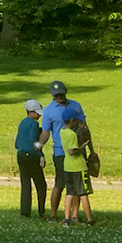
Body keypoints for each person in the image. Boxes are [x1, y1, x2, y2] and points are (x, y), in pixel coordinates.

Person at [38, 80, 87, 221]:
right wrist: (40, 144)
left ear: (65, 92)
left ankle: (74, 215)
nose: (60, 97)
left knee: (77, 185)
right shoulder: (48, 110)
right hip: (60, 152)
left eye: (61, 94)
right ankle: (53, 214)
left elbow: (84, 127)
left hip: (78, 151)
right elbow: (46, 131)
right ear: (52, 95)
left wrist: (88, 148)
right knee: (60, 183)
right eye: (57, 95)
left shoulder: (76, 105)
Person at [14, 99, 48, 217]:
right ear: (30, 112)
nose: (39, 115)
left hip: (20, 155)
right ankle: (41, 211)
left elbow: (17, 143)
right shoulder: (34, 124)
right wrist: (41, 156)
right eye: (37, 113)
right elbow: (33, 142)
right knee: (41, 184)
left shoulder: (22, 123)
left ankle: (25, 212)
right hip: (31, 156)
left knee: (25, 185)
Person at [59, 117, 92, 226]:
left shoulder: (62, 132)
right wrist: (82, 146)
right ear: (72, 120)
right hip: (78, 166)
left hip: (67, 166)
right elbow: (72, 151)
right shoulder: (72, 135)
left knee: (69, 193)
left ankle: (67, 218)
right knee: (83, 193)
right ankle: (89, 219)